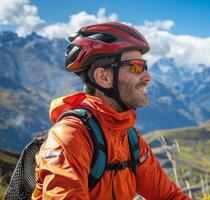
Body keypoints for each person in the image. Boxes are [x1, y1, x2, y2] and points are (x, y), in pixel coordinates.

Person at [32, 22, 190, 200]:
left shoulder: (128, 136)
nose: (147, 76)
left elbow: (168, 196)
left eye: (144, 66)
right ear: (104, 77)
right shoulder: (70, 136)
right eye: (136, 66)